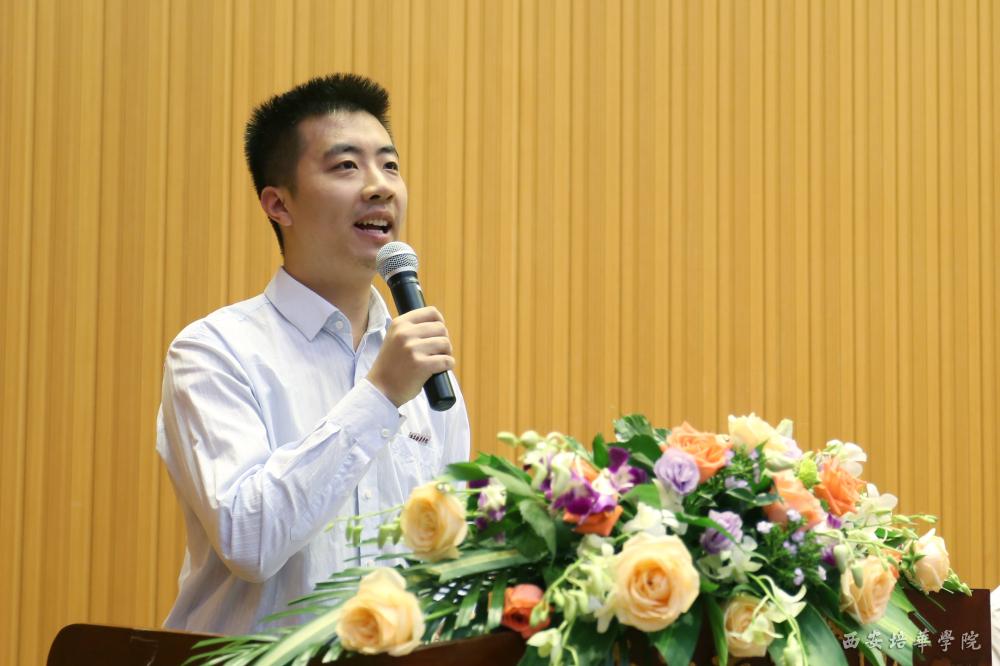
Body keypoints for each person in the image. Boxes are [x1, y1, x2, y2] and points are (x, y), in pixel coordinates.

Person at [156, 73, 470, 635]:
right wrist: (379, 397)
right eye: (346, 166)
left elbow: (447, 559)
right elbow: (249, 540)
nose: (380, 187)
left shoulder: (421, 364)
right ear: (279, 204)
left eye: (390, 165)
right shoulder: (213, 352)